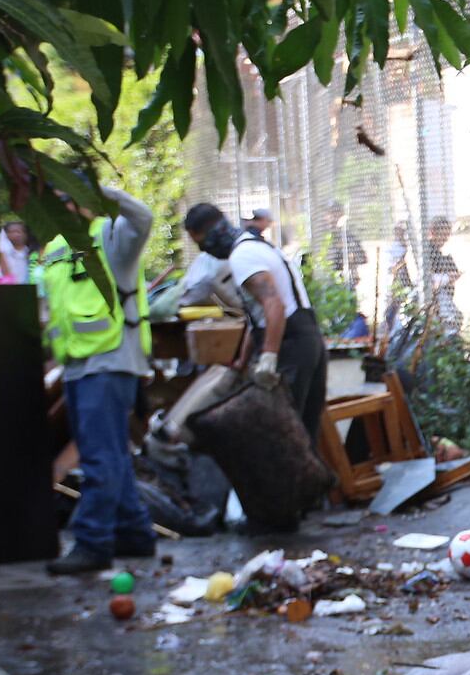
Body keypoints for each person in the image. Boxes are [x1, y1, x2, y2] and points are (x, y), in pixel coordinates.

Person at [44, 186, 159, 574]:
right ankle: (135, 535)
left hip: (109, 362)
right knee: (111, 455)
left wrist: (99, 188)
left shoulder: (109, 236)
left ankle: (92, 542)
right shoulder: (55, 249)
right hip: (78, 365)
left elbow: (143, 216)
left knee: (100, 456)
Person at [183, 203, 326, 443]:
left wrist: (269, 357)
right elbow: (258, 316)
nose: (204, 250)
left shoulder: (243, 256)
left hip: (289, 345)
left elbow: (274, 306)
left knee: (283, 438)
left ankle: (285, 482)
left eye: (201, 242)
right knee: (303, 434)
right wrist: (242, 360)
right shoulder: (256, 246)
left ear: (212, 233)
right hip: (307, 339)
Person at [0, 219, 32, 284]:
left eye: (19, 231)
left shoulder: (28, 252)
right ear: (6, 234)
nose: (17, 234)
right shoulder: (4, 250)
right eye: (13, 231)